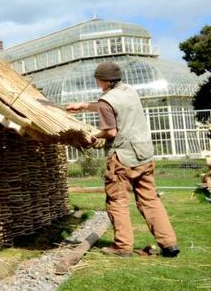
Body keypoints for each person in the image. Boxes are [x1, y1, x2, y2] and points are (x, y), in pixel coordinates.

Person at [66, 62, 179, 258]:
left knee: (117, 201)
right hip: (144, 154)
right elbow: (112, 108)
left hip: (122, 158)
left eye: (97, 79)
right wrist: (84, 106)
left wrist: (93, 134)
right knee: (150, 199)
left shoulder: (106, 100)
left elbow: (110, 131)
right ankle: (169, 244)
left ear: (101, 80)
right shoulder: (129, 91)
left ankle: (122, 246)